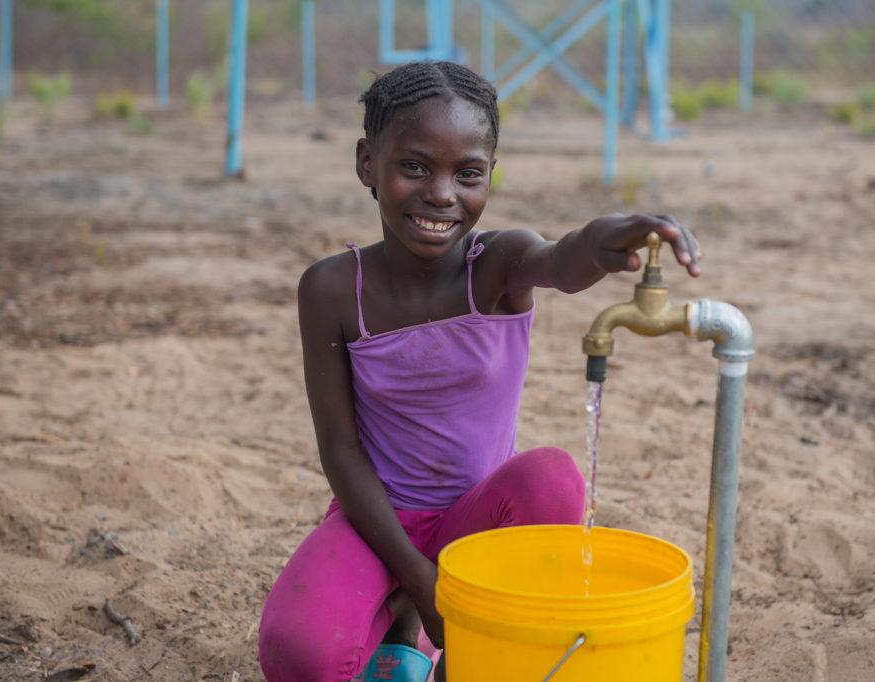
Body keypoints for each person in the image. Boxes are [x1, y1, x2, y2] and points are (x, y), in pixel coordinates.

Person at [258, 60, 701, 682]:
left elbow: (564, 259)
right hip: (377, 518)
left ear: (489, 177)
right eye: (414, 166)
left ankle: (458, 654)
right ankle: (402, 616)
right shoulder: (333, 289)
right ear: (366, 163)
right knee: (299, 653)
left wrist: (607, 239)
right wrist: (420, 579)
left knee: (551, 476)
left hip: (483, 530)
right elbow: (339, 449)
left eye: (467, 174)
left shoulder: (497, 266)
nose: (441, 193)